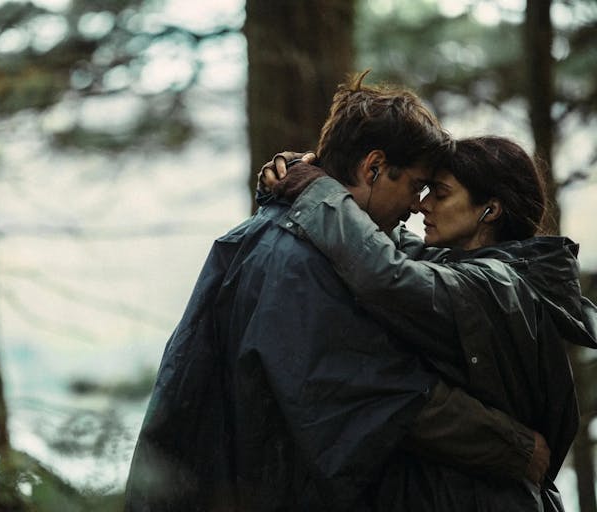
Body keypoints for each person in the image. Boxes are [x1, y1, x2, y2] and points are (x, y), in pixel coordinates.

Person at [125, 74, 549, 511]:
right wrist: (517, 449)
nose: (415, 205)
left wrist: (306, 186)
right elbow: (383, 395)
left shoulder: (287, 238)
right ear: (374, 168)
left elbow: (395, 267)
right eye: (416, 185)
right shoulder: (301, 262)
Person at [259, 135, 597, 510]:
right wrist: (309, 175)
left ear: (490, 210)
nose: (421, 205)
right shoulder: (468, 268)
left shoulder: (496, 285)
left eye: (440, 194)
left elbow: (385, 274)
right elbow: (385, 242)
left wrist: (317, 189)